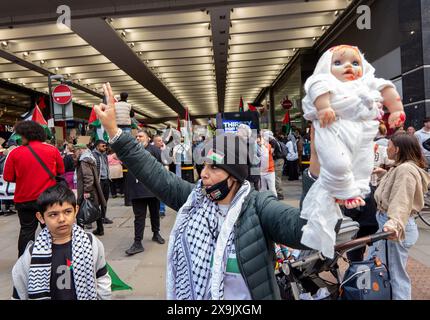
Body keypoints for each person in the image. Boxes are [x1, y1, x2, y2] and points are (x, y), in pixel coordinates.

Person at [92, 83, 316, 300]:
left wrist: (316, 169)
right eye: (205, 166)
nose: (204, 174)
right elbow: (153, 173)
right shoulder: (194, 199)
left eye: (215, 166)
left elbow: (304, 232)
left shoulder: (259, 206)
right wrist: (114, 130)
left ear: (235, 175)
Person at [300, 45, 405, 258]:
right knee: (337, 163)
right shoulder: (324, 82)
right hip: (334, 129)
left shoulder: (366, 83)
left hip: (362, 132)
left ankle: (354, 190)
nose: (348, 66)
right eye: (338, 63)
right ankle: (343, 190)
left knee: (362, 166)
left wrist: (397, 110)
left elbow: (387, 89)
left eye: (355, 62)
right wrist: (324, 108)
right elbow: (317, 90)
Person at [11, 184, 111, 300]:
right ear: (41, 217)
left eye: (67, 211)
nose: (62, 219)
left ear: (76, 211)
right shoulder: (31, 254)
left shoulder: (91, 243)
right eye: (53, 214)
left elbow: (102, 277)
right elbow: (19, 291)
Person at [369, 133, 430, 300]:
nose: (385, 149)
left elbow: (401, 200)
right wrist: (384, 174)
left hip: (394, 229)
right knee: (379, 266)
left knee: (395, 274)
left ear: (396, 149)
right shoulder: (401, 167)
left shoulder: (405, 170)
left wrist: (394, 223)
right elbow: (396, 189)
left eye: (388, 145)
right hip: (388, 226)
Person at [4, 121, 65, 257]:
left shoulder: (15, 153)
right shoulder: (52, 150)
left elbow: (8, 177)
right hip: (47, 199)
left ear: (25, 135)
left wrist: (23, 177)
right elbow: (60, 170)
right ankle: (55, 257)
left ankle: (24, 261)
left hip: (23, 199)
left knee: (26, 231)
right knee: (51, 229)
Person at [125, 130, 165, 256]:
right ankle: (137, 243)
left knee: (155, 213)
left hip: (153, 188)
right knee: (139, 217)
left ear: (148, 139)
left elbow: (160, 168)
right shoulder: (130, 150)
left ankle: (156, 233)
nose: (138, 138)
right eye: (136, 136)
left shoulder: (155, 150)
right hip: (137, 190)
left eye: (140, 136)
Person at [74, 144, 107, 236]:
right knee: (95, 208)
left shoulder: (84, 160)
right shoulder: (90, 157)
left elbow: (88, 177)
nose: (75, 153)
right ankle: (100, 229)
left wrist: (87, 191)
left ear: (80, 150)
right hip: (93, 189)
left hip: (87, 189)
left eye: (76, 150)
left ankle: (79, 233)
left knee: (80, 210)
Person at [92, 140, 113, 224]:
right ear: (97, 146)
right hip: (98, 181)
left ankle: (103, 217)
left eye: (105, 146)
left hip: (106, 180)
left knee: (105, 199)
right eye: (102, 146)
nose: (105, 147)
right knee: (96, 201)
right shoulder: (93, 155)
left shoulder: (104, 155)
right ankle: (95, 218)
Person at [265, 131, 285, 200]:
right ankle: (278, 193)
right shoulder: (274, 141)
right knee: (276, 177)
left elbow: (270, 152)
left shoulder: (273, 142)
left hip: (278, 160)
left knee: (276, 177)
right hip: (279, 160)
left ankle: (279, 194)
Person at [260, 131, 277, 197]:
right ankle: (263, 202)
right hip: (262, 171)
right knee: (263, 189)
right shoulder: (259, 147)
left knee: (272, 189)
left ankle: (275, 202)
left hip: (270, 171)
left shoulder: (268, 146)